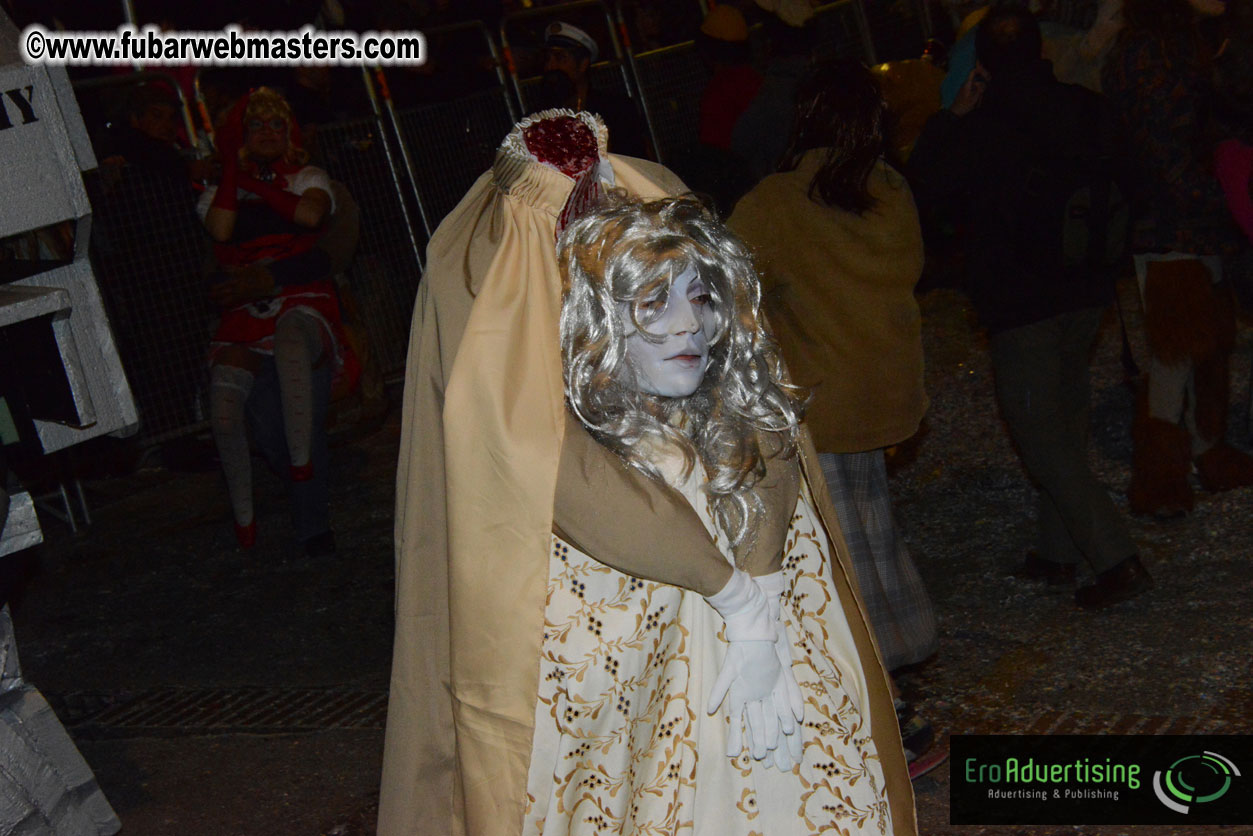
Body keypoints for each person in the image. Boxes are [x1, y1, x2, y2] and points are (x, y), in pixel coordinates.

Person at [378, 109, 916, 836]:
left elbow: (763, 419)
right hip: (630, 661)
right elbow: (552, 470)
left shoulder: (720, 381)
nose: (684, 325)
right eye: (652, 306)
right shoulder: (505, 313)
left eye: (696, 301)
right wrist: (733, 594)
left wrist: (756, 599)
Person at [728, 58, 941, 776]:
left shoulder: (777, 203)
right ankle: (896, 671)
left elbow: (728, 287)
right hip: (882, 398)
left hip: (820, 409)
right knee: (869, 537)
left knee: (840, 561)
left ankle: (888, 710)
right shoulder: (888, 191)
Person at [910, 5, 1148, 608]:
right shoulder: (1086, 107)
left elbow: (923, 192)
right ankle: (1058, 552)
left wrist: (951, 118)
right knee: (1064, 419)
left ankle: (1116, 559)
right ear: (1042, 49)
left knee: (1039, 433)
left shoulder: (983, 125)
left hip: (1022, 304)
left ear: (982, 65)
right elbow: (1137, 181)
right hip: (1088, 290)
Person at [1102, 0, 1253, 516]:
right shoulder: (1148, 54)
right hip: (1168, 223)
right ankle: (1161, 475)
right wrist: (1229, 197)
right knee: (1175, 351)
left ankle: (1209, 451)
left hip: (1195, 219)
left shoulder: (1182, 43)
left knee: (1206, 342)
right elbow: (1162, 154)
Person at [199, 87, 358, 555]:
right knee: (262, 425)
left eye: (276, 124)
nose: (267, 133)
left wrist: (267, 276)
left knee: (301, 414)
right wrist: (234, 174)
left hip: (302, 308)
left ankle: (312, 525)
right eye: (255, 126)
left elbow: (323, 235)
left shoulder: (312, 179)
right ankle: (252, 517)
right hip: (246, 319)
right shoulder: (218, 190)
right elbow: (217, 239)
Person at [534, 21, 649, 158]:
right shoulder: (537, 117)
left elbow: (634, 160)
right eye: (548, 59)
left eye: (560, 58)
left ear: (583, 64)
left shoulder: (616, 110)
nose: (550, 66)